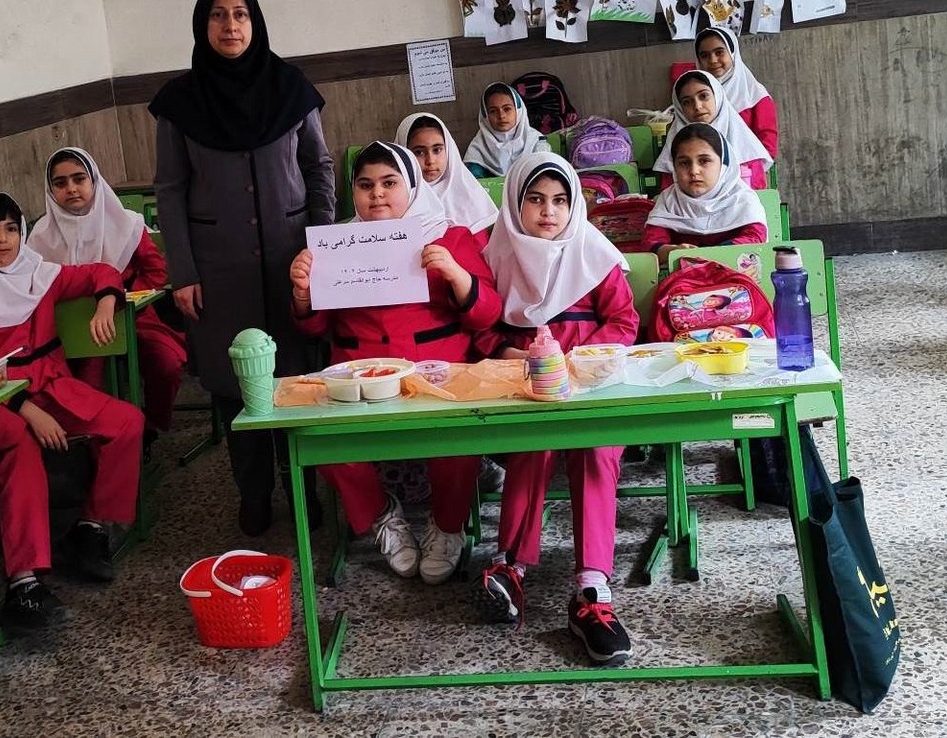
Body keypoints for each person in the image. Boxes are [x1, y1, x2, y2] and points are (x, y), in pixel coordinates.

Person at [150, 0, 336, 535]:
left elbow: (319, 168)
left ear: (255, 22)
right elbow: (170, 190)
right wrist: (182, 271)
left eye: (240, 14)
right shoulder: (180, 103)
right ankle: (253, 494)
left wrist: (323, 247)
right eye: (217, 15)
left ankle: (301, 489)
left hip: (291, 264)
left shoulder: (291, 88)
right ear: (201, 25)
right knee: (236, 384)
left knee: (296, 378)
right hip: (218, 270)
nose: (229, 26)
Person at [290, 142, 503, 584]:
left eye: (390, 183)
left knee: (456, 434)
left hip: (438, 369)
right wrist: (304, 296)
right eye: (365, 185)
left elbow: (487, 315)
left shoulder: (449, 236)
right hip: (358, 374)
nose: (377, 194)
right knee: (321, 439)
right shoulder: (336, 245)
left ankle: (448, 526)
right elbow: (314, 329)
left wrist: (457, 275)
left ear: (412, 187)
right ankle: (381, 516)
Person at [478, 152, 638, 664]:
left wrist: (578, 360)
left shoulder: (594, 253)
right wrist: (516, 356)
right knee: (533, 445)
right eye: (536, 199)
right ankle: (511, 566)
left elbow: (624, 322)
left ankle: (592, 589)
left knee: (596, 450)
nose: (549, 211)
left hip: (592, 389)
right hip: (528, 388)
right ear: (514, 204)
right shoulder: (495, 258)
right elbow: (482, 329)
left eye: (561, 200)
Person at [0, 193, 144, 578]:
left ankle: (91, 525)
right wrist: (28, 411)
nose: (3, 240)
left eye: (11, 229)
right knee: (22, 445)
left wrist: (105, 303)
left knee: (127, 422)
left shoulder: (40, 275)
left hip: (52, 386)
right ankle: (28, 574)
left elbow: (102, 272)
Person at [30, 147, 189, 440]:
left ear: (94, 181)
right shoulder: (40, 237)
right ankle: (103, 441)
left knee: (166, 363)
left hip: (133, 316)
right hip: (72, 327)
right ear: (50, 190)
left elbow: (155, 271)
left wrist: (122, 302)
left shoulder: (126, 224)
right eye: (60, 183)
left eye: (79, 179)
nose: (71, 188)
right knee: (88, 385)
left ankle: (151, 426)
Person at [642, 123, 769, 266]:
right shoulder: (668, 200)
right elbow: (651, 242)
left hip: (734, 273)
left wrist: (710, 254)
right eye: (684, 163)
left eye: (704, 161)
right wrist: (671, 251)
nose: (694, 171)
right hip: (683, 276)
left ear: (723, 164)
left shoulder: (742, 198)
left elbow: (755, 237)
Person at [653, 70, 772, 191]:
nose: (697, 106)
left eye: (703, 96)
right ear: (680, 108)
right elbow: (669, 192)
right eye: (687, 102)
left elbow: (758, 194)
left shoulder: (745, 149)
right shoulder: (674, 148)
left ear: (717, 96)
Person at [395, 112, 498, 234]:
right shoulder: (394, 200)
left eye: (437, 150)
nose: (430, 160)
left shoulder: (470, 195)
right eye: (419, 152)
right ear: (404, 154)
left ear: (449, 150)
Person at [691, 27, 778, 158]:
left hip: (747, 168)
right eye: (704, 56)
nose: (713, 60)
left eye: (719, 52)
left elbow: (768, 150)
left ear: (732, 53)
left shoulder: (755, 96)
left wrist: (734, 167)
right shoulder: (694, 97)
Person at [464, 83, 550, 178]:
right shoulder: (479, 147)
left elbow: (546, 176)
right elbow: (474, 181)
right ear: (485, 116)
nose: (501, 116)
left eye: (507, 109)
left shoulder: (536, 141)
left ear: (518, 110)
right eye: (493, 111)